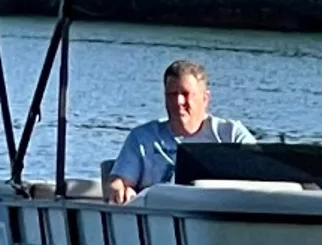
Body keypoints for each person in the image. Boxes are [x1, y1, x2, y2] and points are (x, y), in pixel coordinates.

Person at [103, 59, 254, 201]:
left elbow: (263, 174)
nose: (178, 102)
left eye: (186, 94)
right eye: (172, 95)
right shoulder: (142, 138)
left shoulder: (232, 134)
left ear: (205, 98)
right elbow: (119, 181)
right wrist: (118, 188)